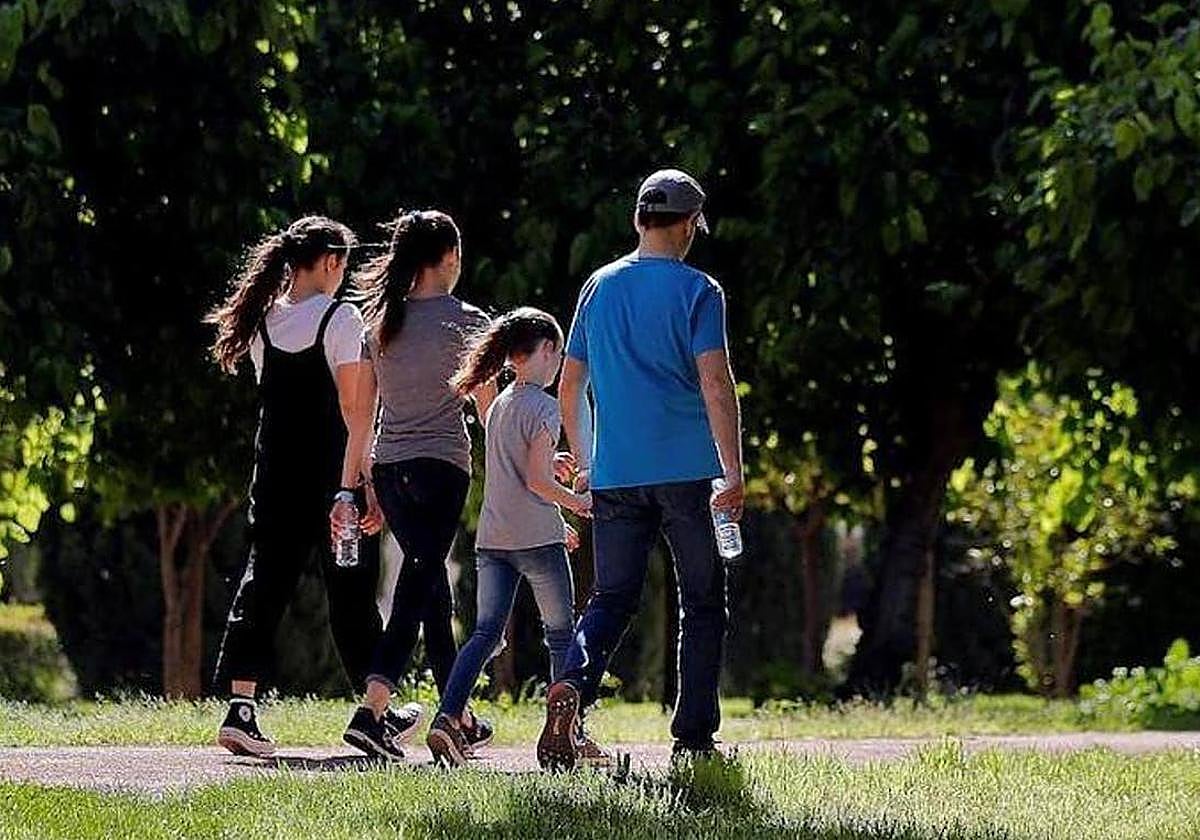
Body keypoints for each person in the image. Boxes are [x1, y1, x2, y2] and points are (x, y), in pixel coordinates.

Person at [537, 170, 744, 770]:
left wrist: (589, 460)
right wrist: (732, 471)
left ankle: (573, 683)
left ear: (637, 221)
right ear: (687, 226)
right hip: (688, 472)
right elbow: (714, 381)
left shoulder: (597, 288)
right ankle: (695, 733)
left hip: (617, 473)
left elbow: (570, 383)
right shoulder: (701, 291)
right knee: (702, 599)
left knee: (612, 596)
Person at [207, 215, 409, 757]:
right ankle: (374, 710)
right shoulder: (341, 319)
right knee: (351, 592)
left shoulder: (261, 323)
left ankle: (240, 709)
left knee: (263, 587)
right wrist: (360, 484)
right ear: (329, 263)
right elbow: (355, 412)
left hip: (272, 480)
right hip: (331, 485)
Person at [341, 209, 497, 761]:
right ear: (450, 258)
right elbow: (487, 410)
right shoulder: (470, 320)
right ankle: (373, 709)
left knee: (430, 587)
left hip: (389, 468)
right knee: (418, 584)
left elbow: (363, 418)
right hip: (442, 468)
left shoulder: (378, 323)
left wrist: (352, 487)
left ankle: (458, 714)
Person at [425, 308, 597, 767]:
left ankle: (446, 719)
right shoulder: (544, 406)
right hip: (537, 543)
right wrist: (579, 504)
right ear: (545, 351)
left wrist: (552, 494)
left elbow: (515, 474)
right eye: (558, 352)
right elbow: (539, 482)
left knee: (484, 634)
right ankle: (570, 733)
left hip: (494, 539)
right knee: (562, 635)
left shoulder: (499, 403)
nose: (560, 362)